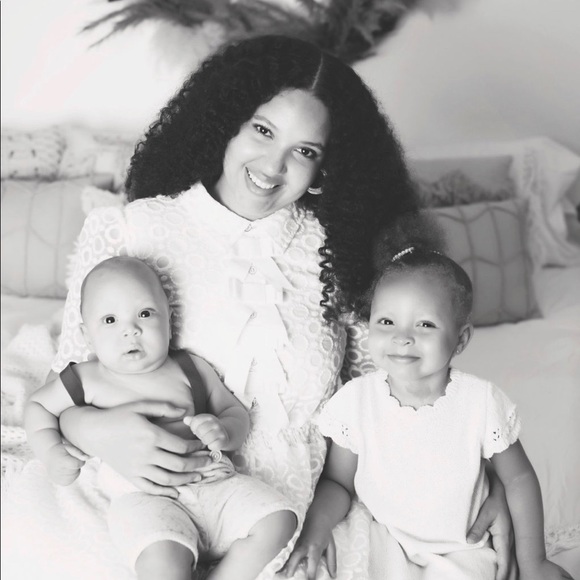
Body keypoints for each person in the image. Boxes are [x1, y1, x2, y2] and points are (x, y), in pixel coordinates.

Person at [12, 34, 514, 579]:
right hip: (136, 497)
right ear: (226, 121)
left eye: (305, 150)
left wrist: (477, 473)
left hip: (292, 518)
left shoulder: (344, 252)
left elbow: (389, 394)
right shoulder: (132, 230)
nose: (274, 165)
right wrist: (93, 431)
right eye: (263, 130)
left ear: (326, 166)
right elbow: (69, 379)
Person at [284, 240, 573, 580]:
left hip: (461, 549)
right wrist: (315, 530)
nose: (402, 337)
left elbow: (519, 478)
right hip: (384, 537)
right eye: (387, 321)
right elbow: (338, 483)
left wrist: (534, 561)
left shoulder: (480, 401)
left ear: (460, 340)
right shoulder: (357, 400)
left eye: (424, 325)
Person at [24, 256, 297, 580]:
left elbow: (234, 411)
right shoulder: (86, 378)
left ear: (168, 318)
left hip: (215, 483)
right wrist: (51, 452)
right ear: (87, 335)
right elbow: (38, 406)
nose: (131, 330)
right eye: (110, 320)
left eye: (145, 313)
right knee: (162, 563)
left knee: (280, 520)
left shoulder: (190, 368)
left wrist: (224, 430)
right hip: (145, 496)